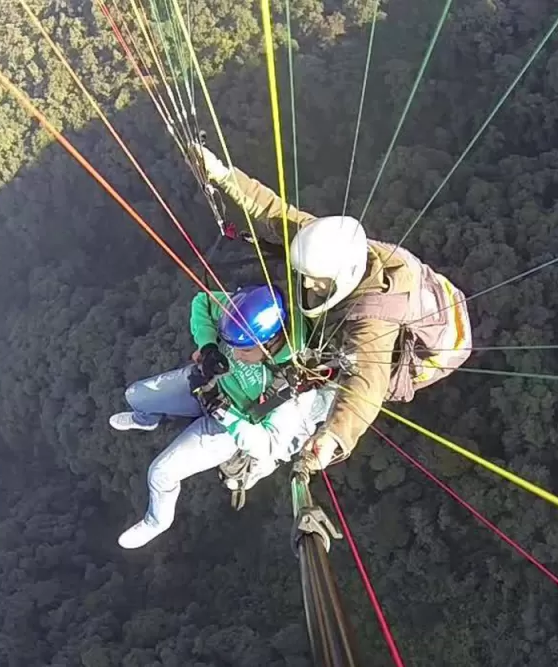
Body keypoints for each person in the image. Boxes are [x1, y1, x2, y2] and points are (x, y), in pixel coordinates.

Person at [196, 145, 475, 475]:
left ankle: (267, 456)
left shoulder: (372, 321)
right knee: (308, 331)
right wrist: (223, 175)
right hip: (419, 292)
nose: (310, 286)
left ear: (344, 276)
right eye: (309, 278)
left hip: (432, 351)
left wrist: (331, 440)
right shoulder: (327, 245)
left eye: (319, 283)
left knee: (326, 386)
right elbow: (273, 213)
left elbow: (365, 386)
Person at [111, 284, 333, 549]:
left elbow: (269, 445)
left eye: (245, 350)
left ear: (272, 343)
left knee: (160, 473)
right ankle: (148, 419)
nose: (237, 354)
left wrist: (226, 415)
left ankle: (156, 522)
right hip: (207, 382)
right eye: (233, 346)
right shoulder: (242, 312)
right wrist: (208, 348)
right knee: (134, 395)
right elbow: (202, 301)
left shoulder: (296, 381)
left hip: (228, 427)